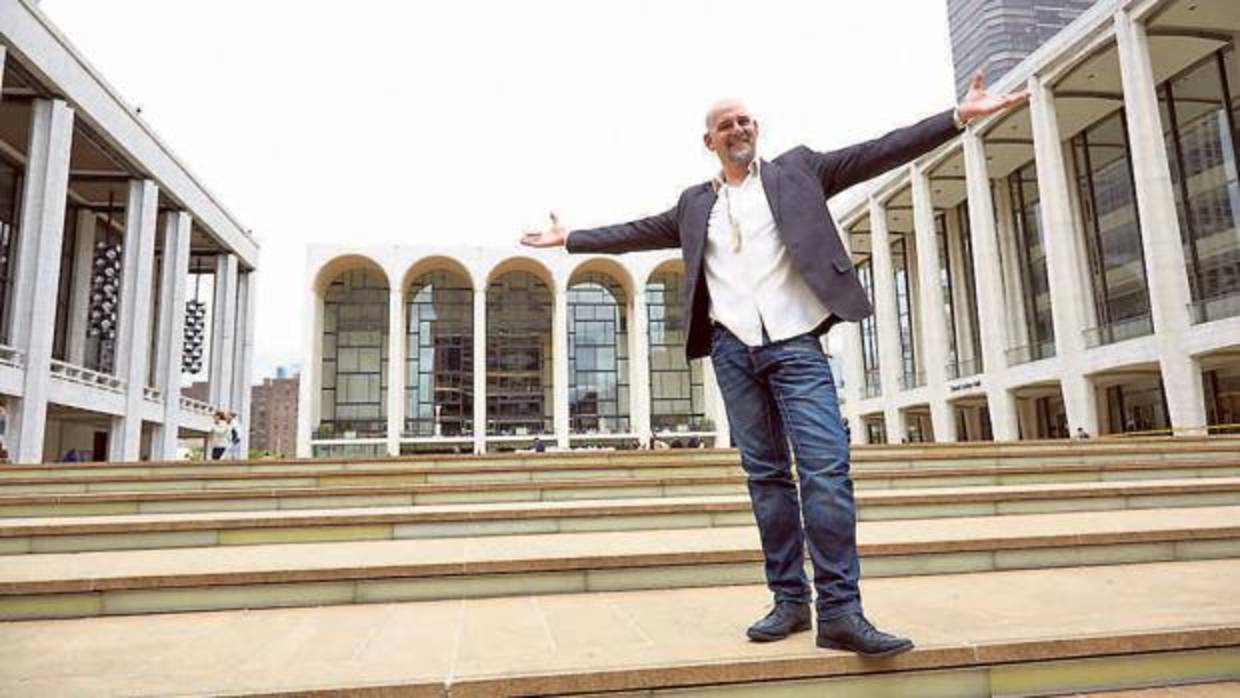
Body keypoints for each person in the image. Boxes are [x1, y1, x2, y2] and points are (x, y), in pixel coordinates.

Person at [521, 72, 1026, 657]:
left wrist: (957, 117)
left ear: (755, 129)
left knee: (825, 471)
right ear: (708, 141)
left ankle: (840, 610)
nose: (738, 129)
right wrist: (571, 238)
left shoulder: (800, 171)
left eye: (745, 120)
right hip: (733, 350)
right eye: (725, 124)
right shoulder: (695, 204)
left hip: (795, 344)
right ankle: (789, 601)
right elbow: (637, 231)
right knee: (766, 479)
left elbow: (879, 150)